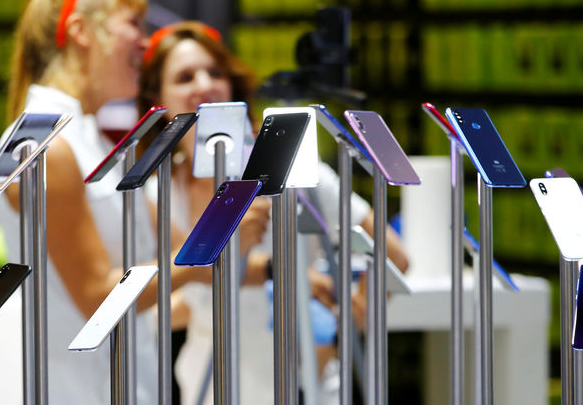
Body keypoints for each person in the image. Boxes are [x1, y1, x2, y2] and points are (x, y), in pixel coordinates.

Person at [138, 21, 408, 404]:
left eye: (215, 72)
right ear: (158, 97)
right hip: (207, 385)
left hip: (306, 388)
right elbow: (178, 298)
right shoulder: (158, 193)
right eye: (184, 77)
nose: (204, 85)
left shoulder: (293, 166)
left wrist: (345, 323)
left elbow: (393, 254)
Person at [0, 0, 210, 404]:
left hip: (129, 381)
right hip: (81, 390)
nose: (146, 42)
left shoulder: (87, 139)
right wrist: (200, 264)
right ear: (80, 31)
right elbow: (97, 299)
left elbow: (181, 245)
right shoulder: (43, 145)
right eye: (134, 24)